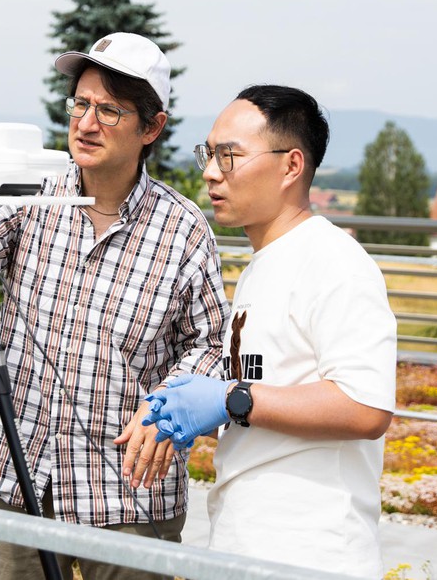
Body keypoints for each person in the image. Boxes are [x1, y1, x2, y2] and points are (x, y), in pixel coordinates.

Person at [0, 32, 229, 579]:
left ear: (151, 127)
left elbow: (210, 342)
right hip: (20, 476)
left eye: (109, 110)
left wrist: (167, 411)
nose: (86, 124)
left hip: (128, 494)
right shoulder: (34, 192)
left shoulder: (182, 228)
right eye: (80, 104)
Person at [144, 85, 397, 578]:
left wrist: (231, 398)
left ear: (291, 166)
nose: (211, 172)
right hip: (248, 541)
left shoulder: (334, 264)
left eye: (230, 156)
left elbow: (366, 407)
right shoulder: (265, 263)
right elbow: (272, 389)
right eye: (209, 154)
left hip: (312, 552)